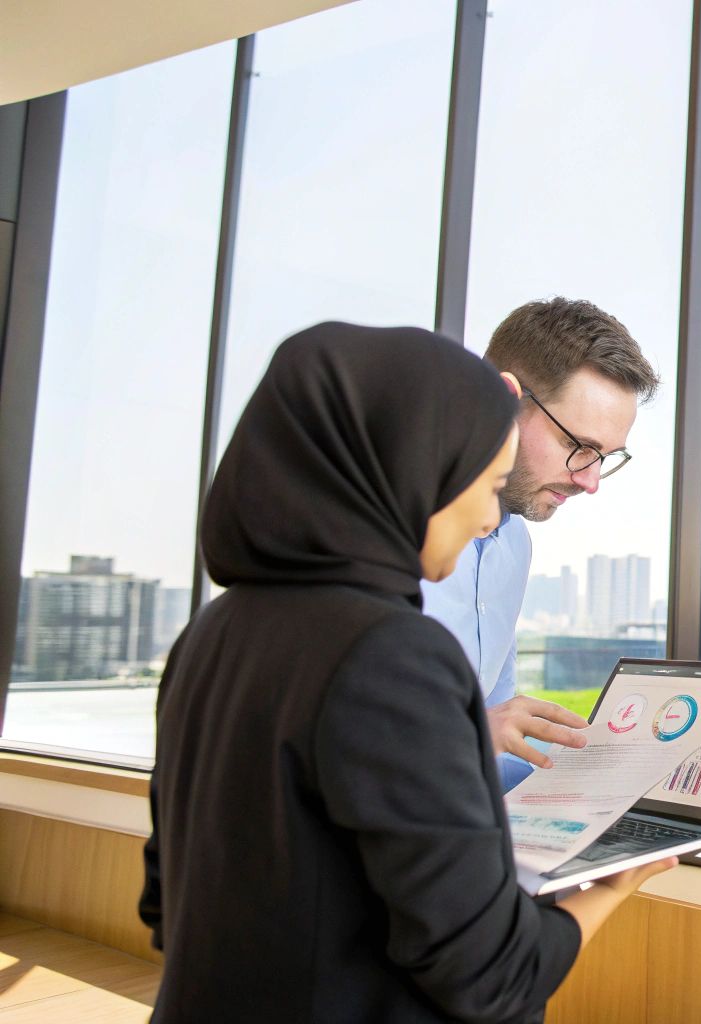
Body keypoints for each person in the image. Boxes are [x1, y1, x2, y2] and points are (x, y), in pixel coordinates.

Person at [139, 323, 670, 1022]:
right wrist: (614, 882)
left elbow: (165, 906)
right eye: (475, 482)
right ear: (414, 465)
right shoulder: (390, 653)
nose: (488, 519)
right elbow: (495, 976)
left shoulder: (209, 634)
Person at [420, 298, 662, 792]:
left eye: (606, 458)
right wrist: (470, 736)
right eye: (581, 447)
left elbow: (496, 726)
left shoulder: (514, 543)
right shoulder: (379, 529)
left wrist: (582, 795)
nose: (591, 481)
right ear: (504, 398)